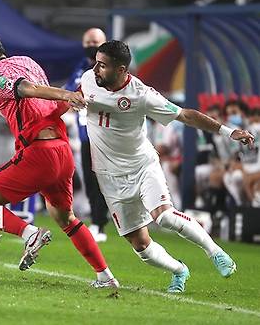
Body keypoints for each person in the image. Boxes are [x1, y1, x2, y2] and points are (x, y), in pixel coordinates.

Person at [76, 40, 252, 292]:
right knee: (139, 244)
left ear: (122, 69)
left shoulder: (142, 95)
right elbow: (74, 96)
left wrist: (228, 131)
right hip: (108, 175)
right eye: (96, 63)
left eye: (102, 66)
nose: (95, 70)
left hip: (141, 166)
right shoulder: (88, 79)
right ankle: (179, 270)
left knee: (165, 217)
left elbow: (185, 115)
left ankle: (215, 252)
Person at [0, 30, 119, 289]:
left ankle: (30, 234)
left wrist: (66, 94)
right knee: (66, 218)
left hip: (39, 155)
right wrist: (0, 106)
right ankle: (105, 276)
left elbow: (28, 90)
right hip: (61, 152)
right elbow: (38, 105)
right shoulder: (27, 62)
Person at [64, 28, 109, 242]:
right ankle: (97, 222)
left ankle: (102, 221)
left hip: (107, 134)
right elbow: (69, 92)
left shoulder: (110, 69)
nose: (91, 45)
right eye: (88, 41)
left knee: (105, 179)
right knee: (91, 179)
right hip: (85, 134)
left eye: (96, 41)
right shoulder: (79, 69)